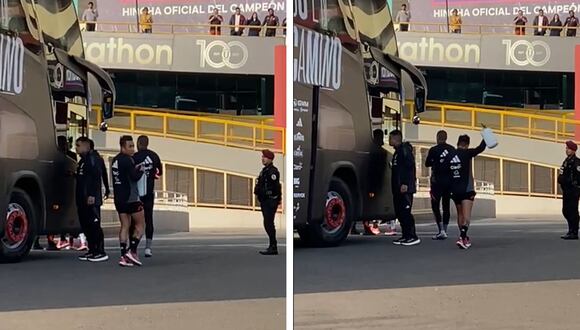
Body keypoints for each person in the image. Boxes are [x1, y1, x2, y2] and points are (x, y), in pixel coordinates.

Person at [111, 135, 146, 267]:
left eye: (133, 146)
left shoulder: (115, 160)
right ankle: (132, 250)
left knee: (125, 225)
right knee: (141, 225)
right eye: (130, 146)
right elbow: (134, 177)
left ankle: (123, 255)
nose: (132, 149)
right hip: (131, 197)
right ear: (122, 147)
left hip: (119, 198)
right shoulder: (128, 160)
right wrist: (141, 170)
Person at [449, 135, 487, 249]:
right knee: (467, 216)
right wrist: (486, 135)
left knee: (460, 214)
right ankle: (462, 237)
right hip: (467, 188)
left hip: (454, 190)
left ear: (458, 143)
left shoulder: (451, 155)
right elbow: (480, 148)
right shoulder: (467, 153)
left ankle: (463, 237)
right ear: (467, 144)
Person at [75, 137, 108, 262]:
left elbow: (97, 176)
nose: (76, 148)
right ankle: (92, 249)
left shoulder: (93, 158)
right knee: (86, 224)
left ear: (86, 146)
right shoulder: (83, 161)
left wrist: (93, 195)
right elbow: (83, 177)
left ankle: (100, 251)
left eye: (78, 145)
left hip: (91, 199)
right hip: (82, 198)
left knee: (94, 224)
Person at [132, 135, 163, 257]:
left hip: (136, 194)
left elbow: (131, 174)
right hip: (149, 192)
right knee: (149, 219)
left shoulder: (134, 157)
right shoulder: (154, 156)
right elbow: (159, 172)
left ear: (138, 143)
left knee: (134, 220)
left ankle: (132, 245)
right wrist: (152, 175)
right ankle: (148, 248)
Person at [388, 130, 420, 246]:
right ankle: (405, 235)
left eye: (390, 138)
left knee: (406, 211)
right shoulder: (397, 152)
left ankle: (412, 235)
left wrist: (405, 183)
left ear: (396, 139)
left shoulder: (404, 150)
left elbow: (409, 166)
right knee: (400, 212)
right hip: (397, 188)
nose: (389, 141)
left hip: (405, 188)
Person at [425, 130, 455, 240]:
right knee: (446, 205)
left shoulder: (433, 150)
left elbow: (427, 163)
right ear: (446, 138)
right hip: (449, 182)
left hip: (436, 182)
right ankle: (445, 230)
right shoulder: (452, 149)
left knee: (435, 206)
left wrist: (436, 162)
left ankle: (440, 230)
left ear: (437, 138)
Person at [254, 149, 281, 255]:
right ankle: (272, 245)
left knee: (269, 223)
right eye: (262, 157)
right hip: (265, 200)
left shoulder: (273, 171)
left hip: (270, 201)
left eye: (265, 157)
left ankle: (273, 246)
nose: (263, 159)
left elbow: (275, 187)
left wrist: (274, 198)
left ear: (270, 159)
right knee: (267, 223)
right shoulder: (264, 170)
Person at [558, 141, 580, 240]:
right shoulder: (566, 161)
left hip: (573, 190)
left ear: (573, 150)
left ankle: (574, 231)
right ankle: (570, 230)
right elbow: (562, 173)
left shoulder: (576, 162)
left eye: (568, 148)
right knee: (566, 211)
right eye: (566, 148)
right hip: (566, 190)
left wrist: (574, 184)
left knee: (573, 211)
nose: (566, 150)